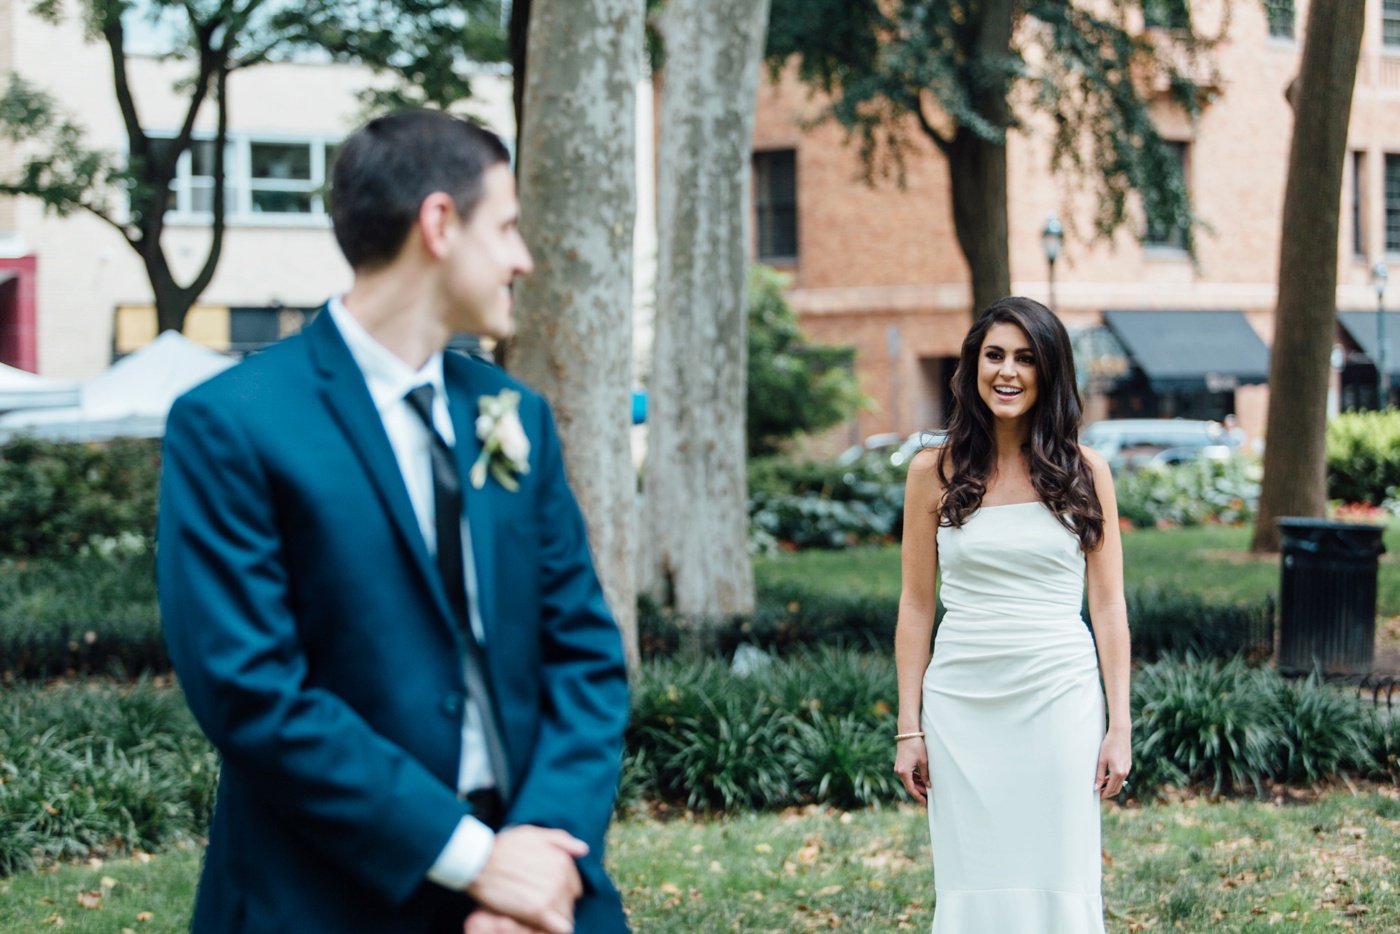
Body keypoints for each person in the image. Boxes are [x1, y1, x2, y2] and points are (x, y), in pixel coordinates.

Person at [158, 110, 631, 934]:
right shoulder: (231, 424)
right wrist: (475, 861)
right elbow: (253, 692)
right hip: (328, 890)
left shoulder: (514, 413)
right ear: (440, 223)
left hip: (538, 885)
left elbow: (585, 656)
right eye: (509, 227)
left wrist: (539, 859)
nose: (523, 258)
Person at [892, 297, 1131, 932]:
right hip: (962, 703)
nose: (1008, 371)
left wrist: (1121, 725)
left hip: (1059, 697)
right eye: (995, 355)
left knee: (1059, 870)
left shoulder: (1087, 473)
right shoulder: (931, 472)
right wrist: (908, 727)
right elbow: (916, 606)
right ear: (973, 366)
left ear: (1048, 372)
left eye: (1026, 358)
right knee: (974, 877)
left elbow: (1108, 605)